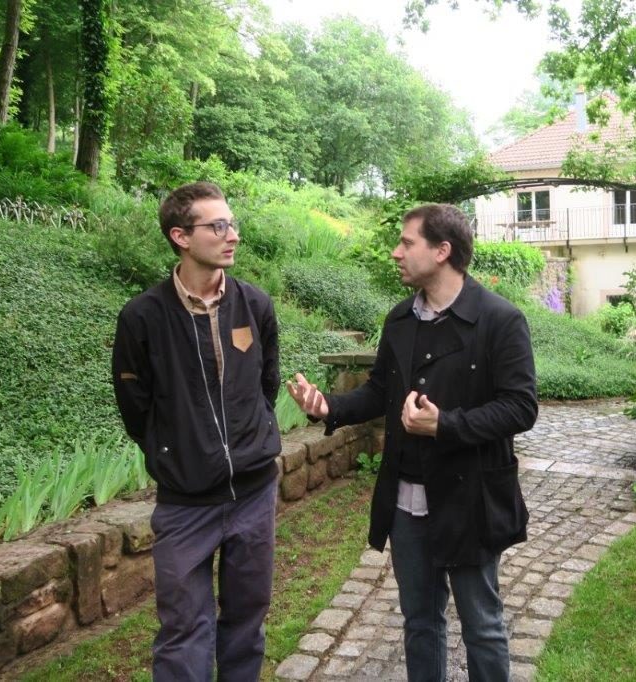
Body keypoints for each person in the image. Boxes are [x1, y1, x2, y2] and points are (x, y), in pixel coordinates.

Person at [287, 203, 537, 681]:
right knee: (420, 621)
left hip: (471, 498)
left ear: (442, 251)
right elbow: (381, 390)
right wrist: (329, 408)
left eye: (407, 243)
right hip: (406, 501)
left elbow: (520, 407)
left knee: (482, 625)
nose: (396, 252)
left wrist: (446, 425)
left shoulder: (500, 320)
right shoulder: (400, 319)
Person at [112, 181, 281, 681]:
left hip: (253, 493)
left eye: (233, 224)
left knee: (247, 623)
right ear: (181, 236)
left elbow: (264, 383)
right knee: (184, 629)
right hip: (186, 502)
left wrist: (249, 441)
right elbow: (136, 406)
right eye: (219, 226)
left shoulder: (256, 305)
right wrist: (175, 453)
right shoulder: (142, 316)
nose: (233, 236)